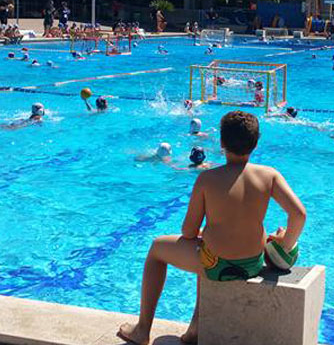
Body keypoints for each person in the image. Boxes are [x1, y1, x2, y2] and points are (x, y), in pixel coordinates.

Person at [117, 111, 306, 345]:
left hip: (218, 266)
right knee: (205, 248)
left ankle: (142, 329)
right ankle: (195, 329)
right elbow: (299, 214)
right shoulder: (270, 175)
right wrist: (283, 248)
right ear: (256, 143)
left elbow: (188, 232)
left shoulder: (207, 179)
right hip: (253, 264)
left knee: (159, 249)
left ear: (222, 143)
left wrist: (203, 233)